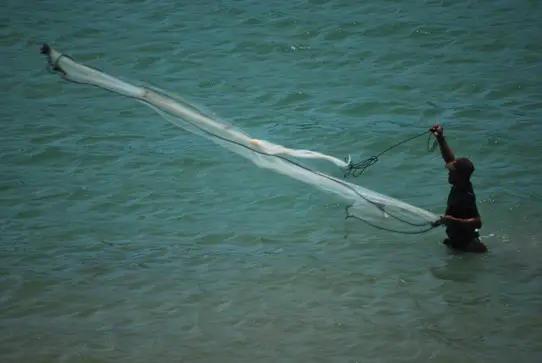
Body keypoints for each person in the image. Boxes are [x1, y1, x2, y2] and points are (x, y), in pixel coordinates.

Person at [430, 123, 487, 253]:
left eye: (452, 172)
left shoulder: (466, 194)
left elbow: (477, 223)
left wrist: (452, 221)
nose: (449, 173)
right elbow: (449, 159)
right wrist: (440, 138)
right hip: (457, 244)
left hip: (469, 248)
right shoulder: (458, 184)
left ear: (460, 175)